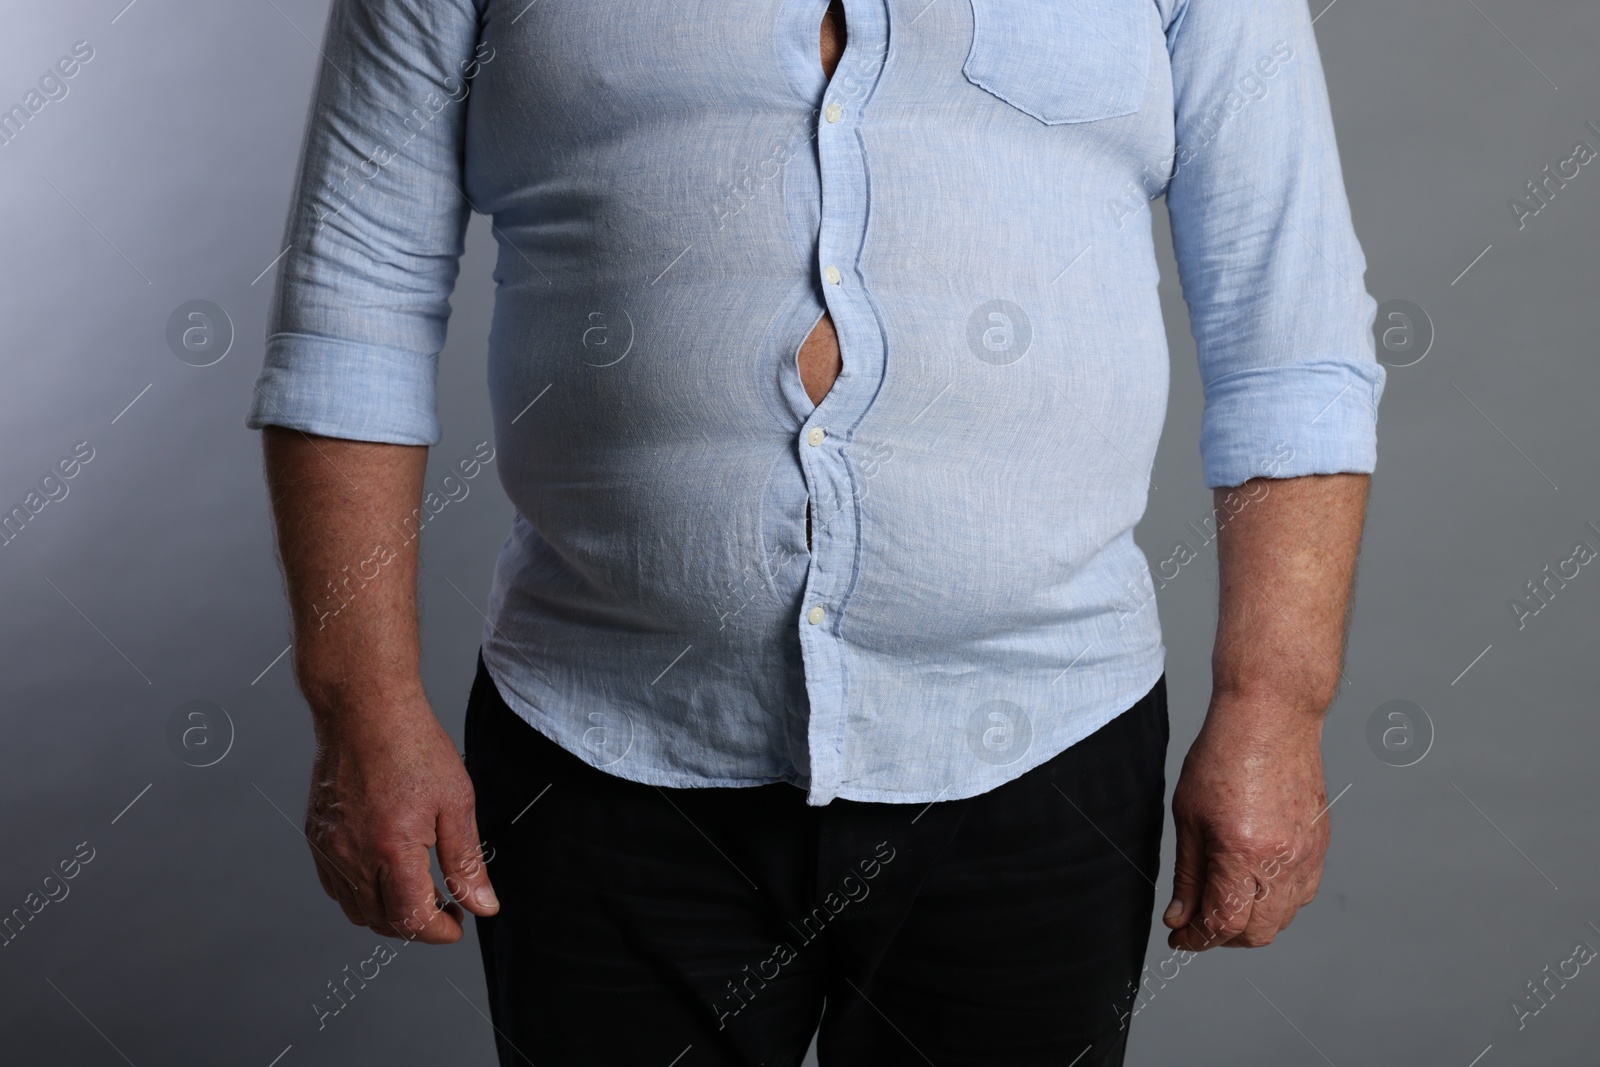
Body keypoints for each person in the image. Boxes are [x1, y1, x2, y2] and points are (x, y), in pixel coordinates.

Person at [248, 0, 1383, 1063]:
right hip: (595, 745)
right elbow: (353, 304)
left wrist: (1276, 706)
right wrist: (363, 708)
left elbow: (1290, 328)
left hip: (1044, 742)